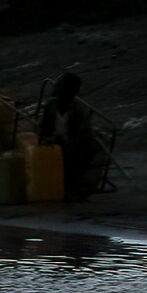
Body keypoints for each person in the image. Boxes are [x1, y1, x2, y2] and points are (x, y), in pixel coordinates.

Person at [39, 71, 102, 199]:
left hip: (74, 144)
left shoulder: (79, 109)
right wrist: (47, 138)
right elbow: (42, 127)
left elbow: (84, 133)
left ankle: (72, 187)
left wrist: (67, 142)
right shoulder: (50, 105)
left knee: (78, 153)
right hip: (52, 144)